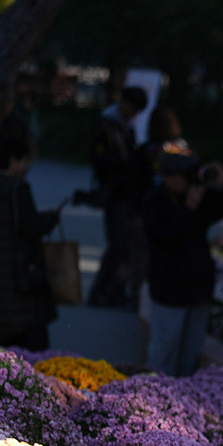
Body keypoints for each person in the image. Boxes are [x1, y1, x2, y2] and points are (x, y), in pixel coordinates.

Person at [141, 149, 223, 377]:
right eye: (168, 175)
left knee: (191, 351)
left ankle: (184, 398)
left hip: (197, 288)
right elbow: (166, 237)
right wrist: (187, 209)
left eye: (177, 176)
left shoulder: (200, 198)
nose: (172, 181)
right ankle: (154, 395)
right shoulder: (155, 201)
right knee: (164, 348)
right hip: (169, 289)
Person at [0, 117, 62, 350]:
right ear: (13, 160)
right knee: (34, 346)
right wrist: (52, 217)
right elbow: (30, 225)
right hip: (24, 276)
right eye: (24, 162)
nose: (25, 169)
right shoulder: (17, 189)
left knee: (9, 345)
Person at [87, 84, 150, 309]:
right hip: (116, 192)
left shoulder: (124, 126)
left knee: (121, 245)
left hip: (124, 192)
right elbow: (102, 160)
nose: (134, 114)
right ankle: (103, 291)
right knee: (118, 244)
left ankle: (110, 290)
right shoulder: (107, 124)